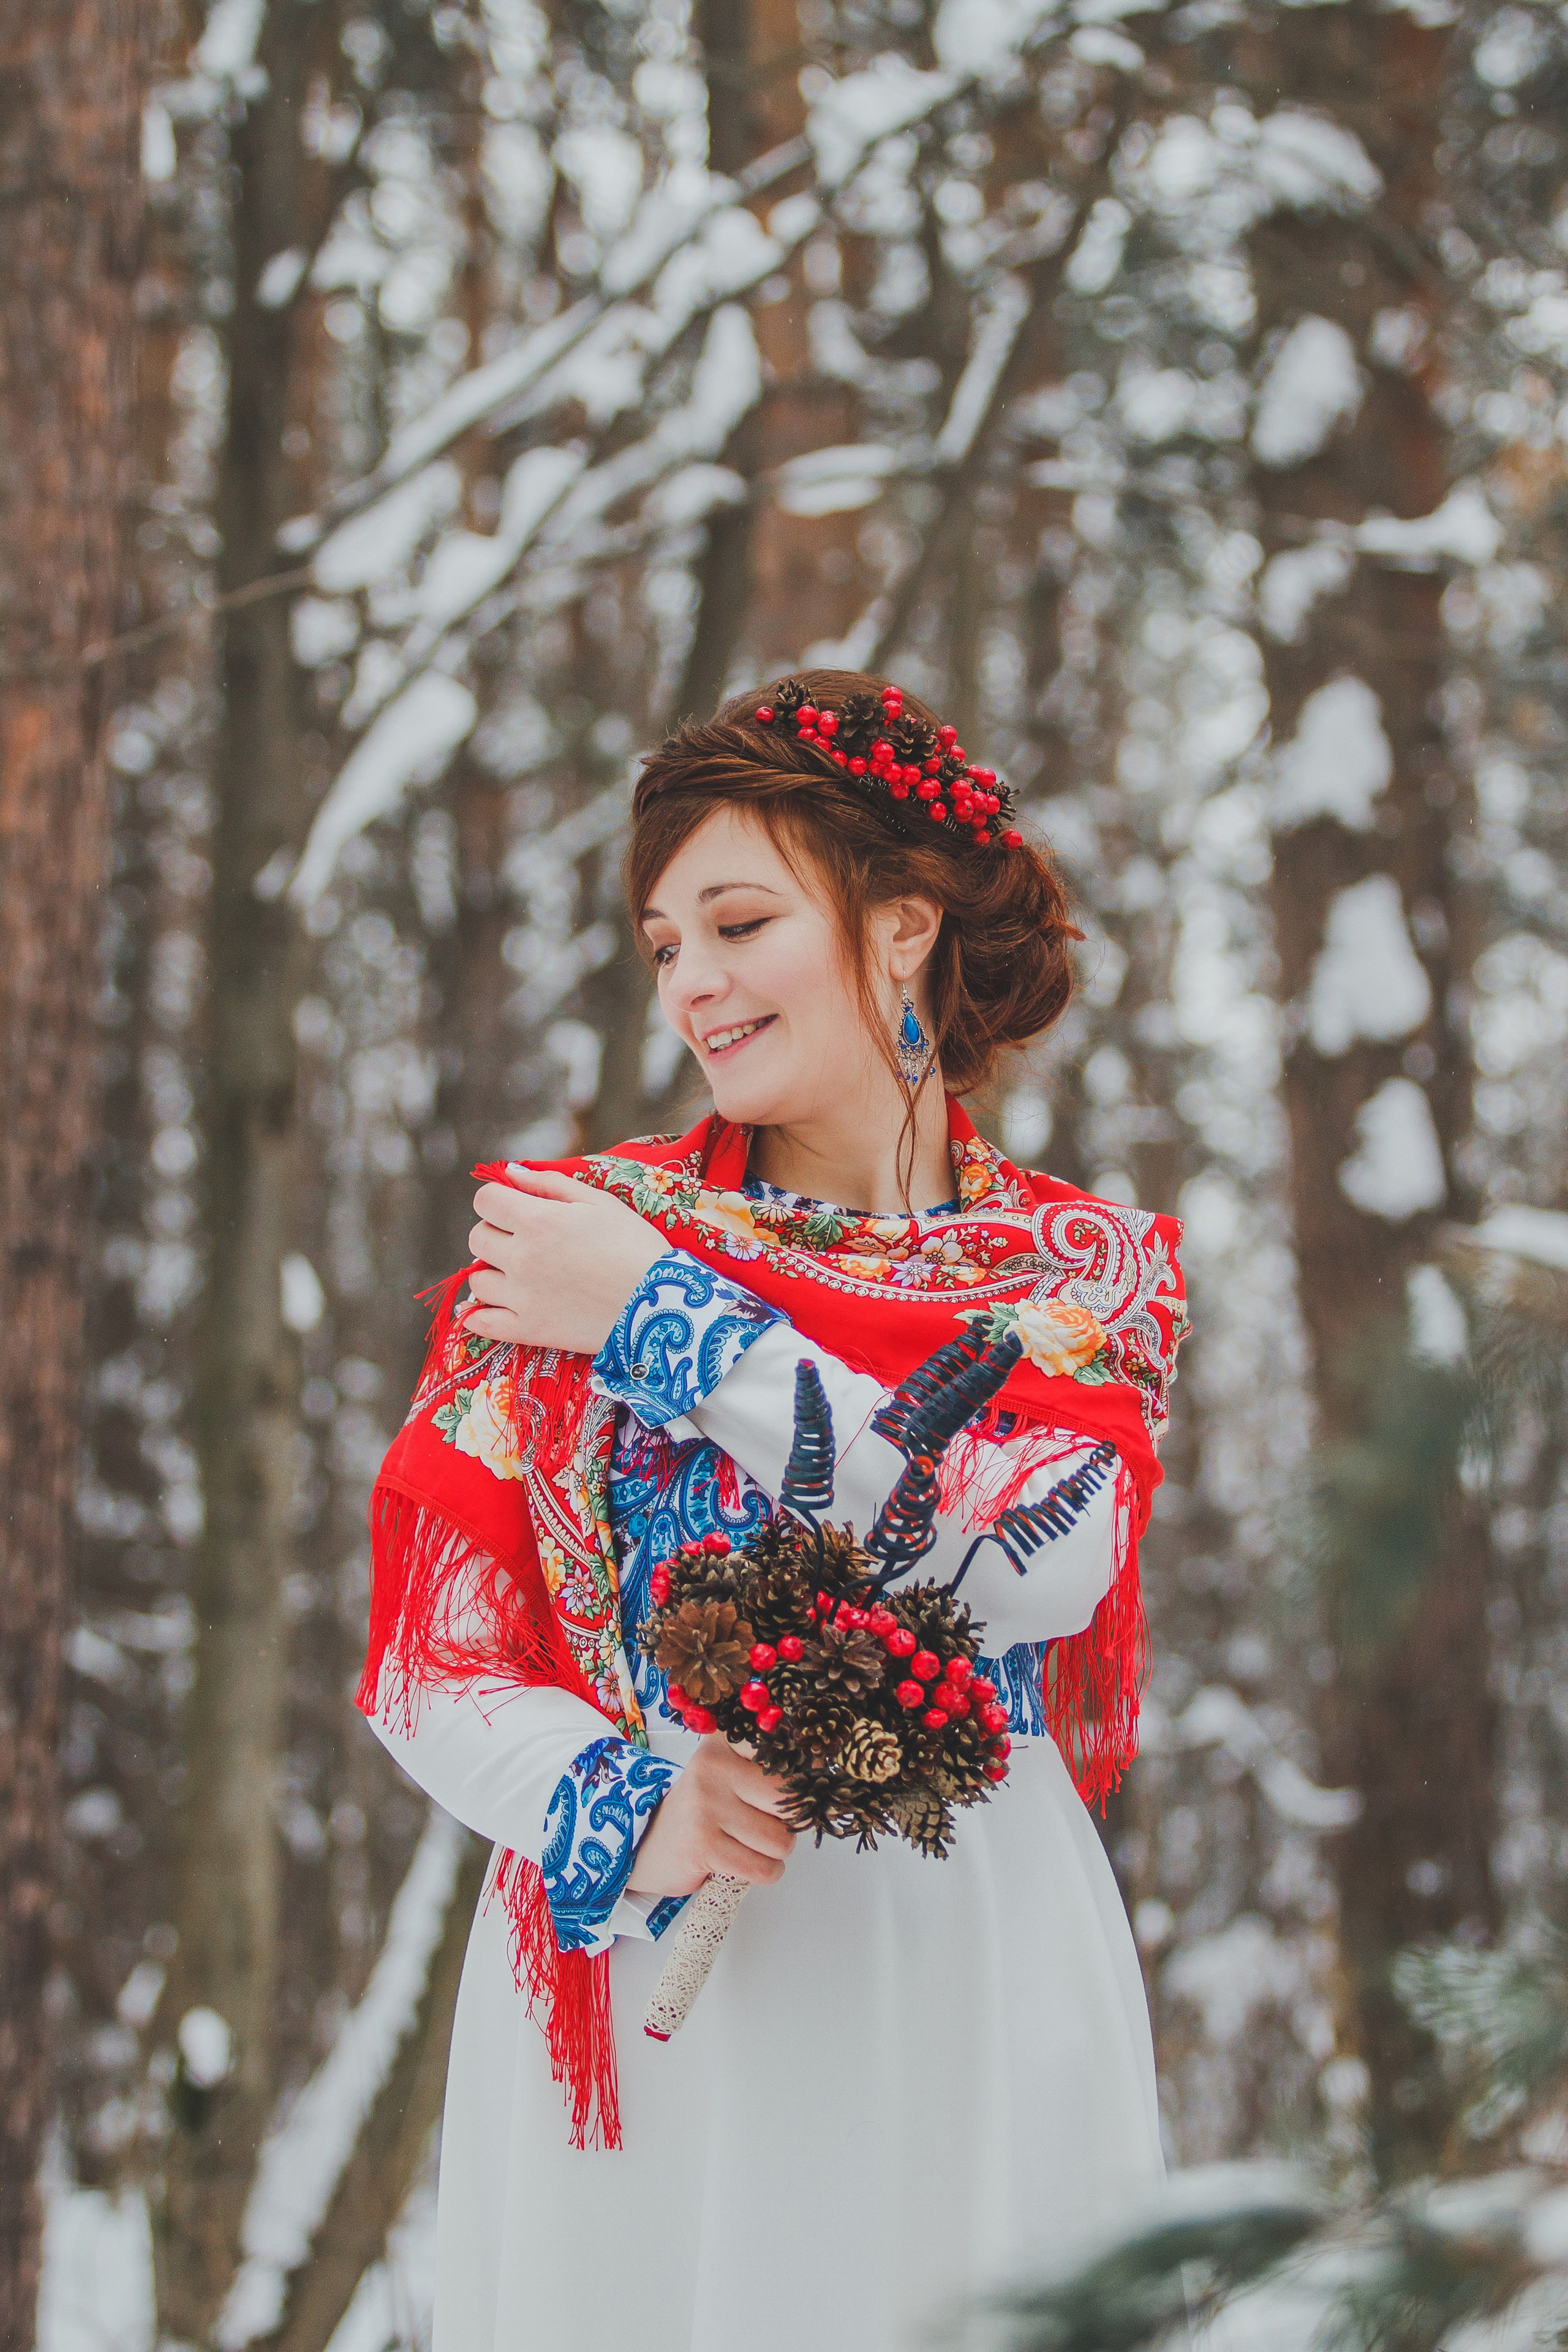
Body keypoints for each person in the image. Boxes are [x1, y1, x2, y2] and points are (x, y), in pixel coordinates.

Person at [360, 670, 1188, 2352]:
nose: (694, 983)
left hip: (962, 1948)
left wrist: (671, 1322)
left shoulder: (1075, 1269)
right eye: (666, 945)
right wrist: (630, 1808)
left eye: (739, 924)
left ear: (900, 928)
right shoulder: (567, 1233)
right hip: (651, 1969)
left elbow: (1025, 1567)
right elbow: (428, 1663)